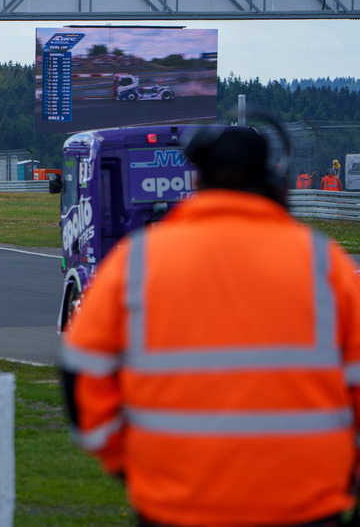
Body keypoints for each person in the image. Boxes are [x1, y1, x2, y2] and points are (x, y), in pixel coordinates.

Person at [60, 124, 360, 526]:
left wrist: (125, 463)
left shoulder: (135, 263)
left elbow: (80, 376)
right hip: (305, 509)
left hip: (175, 508)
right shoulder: (327, 265)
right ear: (275, 182)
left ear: (196, 181)